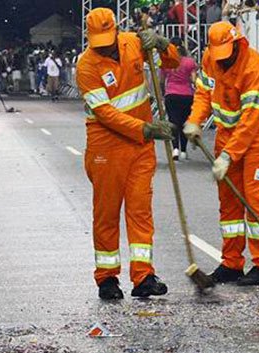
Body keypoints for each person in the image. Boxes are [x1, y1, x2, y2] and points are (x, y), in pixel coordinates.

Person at [77, 8, 179, 299]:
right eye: (99, 41)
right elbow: (106, 114)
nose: (105, 46)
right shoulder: (86, 66)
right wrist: (146, 129)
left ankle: (143, 276)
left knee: (140, 211)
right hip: (106, 148)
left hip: (138, 148)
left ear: (117, 29)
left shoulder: (134, 42)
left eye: (108, 39)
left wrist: (161, 44)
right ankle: (107, 278)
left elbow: (172, 63)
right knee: (106, 214)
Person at [183, 22, 259, 286]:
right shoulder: (211, 58)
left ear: (237, 43)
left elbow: (251, 119)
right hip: (227, 135)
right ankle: (232, 262)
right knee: (229, 203)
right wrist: (194, 121)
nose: (223, 61)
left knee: (256, 201)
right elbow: (204, 92)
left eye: (227, 54)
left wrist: (227, 156)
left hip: (258, 137)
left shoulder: (254, 66)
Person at [162, 38, 198, 160]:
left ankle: (175, 149)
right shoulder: (190, 62)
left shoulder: (166, 62)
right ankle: (183, 150)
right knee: (184, 123)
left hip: (171, 94)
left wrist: (163, 93)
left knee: (173, 122)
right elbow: (194, 80)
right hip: (187, 95)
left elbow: (162, 81)